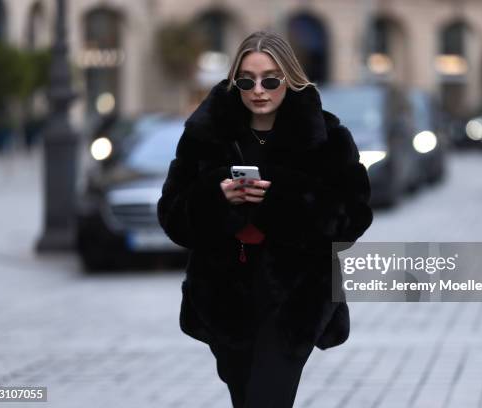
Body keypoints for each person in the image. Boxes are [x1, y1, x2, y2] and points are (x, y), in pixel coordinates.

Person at [157, 31, 373, 408]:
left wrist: (279, 198)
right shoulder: (204, 137)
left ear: (289, 78)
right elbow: (172, 218)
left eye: (270, 79)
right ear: (235, 82)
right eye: (247, 80)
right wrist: (216, 197)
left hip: (298, 297)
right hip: (225, 297)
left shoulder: (328, 137)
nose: (259, 90)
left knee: (267, 398)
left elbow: (353, 217)